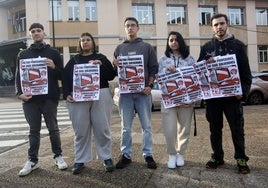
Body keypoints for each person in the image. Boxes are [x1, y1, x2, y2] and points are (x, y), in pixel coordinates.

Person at [197, 13, 252, 174]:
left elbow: (246, 73)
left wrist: (243, 92)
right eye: (216, 25)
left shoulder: (238, 46)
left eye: (222, 24)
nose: (219, 27)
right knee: (215, 129)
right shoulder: (207, 47)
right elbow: (199, 71)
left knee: (237, 129)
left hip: (232, 98)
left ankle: (241, 158)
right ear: (212, 27)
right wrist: (205, 64)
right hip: (213, 98)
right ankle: (217, 157)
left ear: (227, 24)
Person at [15, 23, 68, 177]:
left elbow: (62, 75)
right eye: (33, 31)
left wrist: (54, 67)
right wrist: (19, 93)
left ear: (44, 33)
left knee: (53, 129)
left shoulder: (53, 52)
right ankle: (32, 160)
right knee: (33, 131)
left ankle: (58, 156)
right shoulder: (23, 54)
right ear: (30, 35)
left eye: (38, 31)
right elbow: (18, 76)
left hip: (49, 98)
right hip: (30, 99)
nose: (36, 33)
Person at [62, 32, 116, 174]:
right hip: (80, 97)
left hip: (101, 94)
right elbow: (65, 77)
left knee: (103, 128)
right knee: (80, 130)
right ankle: (80, 159)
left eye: (88, 40)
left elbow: (111, 75)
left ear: (92, 42)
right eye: (82, 40)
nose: (85, 42)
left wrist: (101, 65)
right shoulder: (74, 60)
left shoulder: (101, 58)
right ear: (79, 44)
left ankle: (106, 157)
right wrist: (66, 93)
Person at [113, 17, 158, 169]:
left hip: (143, 93)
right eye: (127, 26)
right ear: (124, 29)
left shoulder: (147, 47)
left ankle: (148, 154)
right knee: (126, 127)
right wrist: (115, 65)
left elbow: (153, 68)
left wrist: (150, 85)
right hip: (126, 94)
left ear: (138, 28)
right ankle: (126, 155)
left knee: (146, 126)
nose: (130, 28)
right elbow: (117, 72)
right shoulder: (119, 48)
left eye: (133, 25)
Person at [158, 31, 195, 169]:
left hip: (186, 100)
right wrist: (166, 70)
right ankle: (172, 154)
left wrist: (192, 98)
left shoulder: (189, 58)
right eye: (171, 40)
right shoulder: (162, 59)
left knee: (184, 128)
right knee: (170, 129)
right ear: (168, 42)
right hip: (169, 100)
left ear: (181, 41)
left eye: (176, 39)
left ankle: (181, 153)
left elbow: (194, 79)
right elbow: (159, 79)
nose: (173, 42)